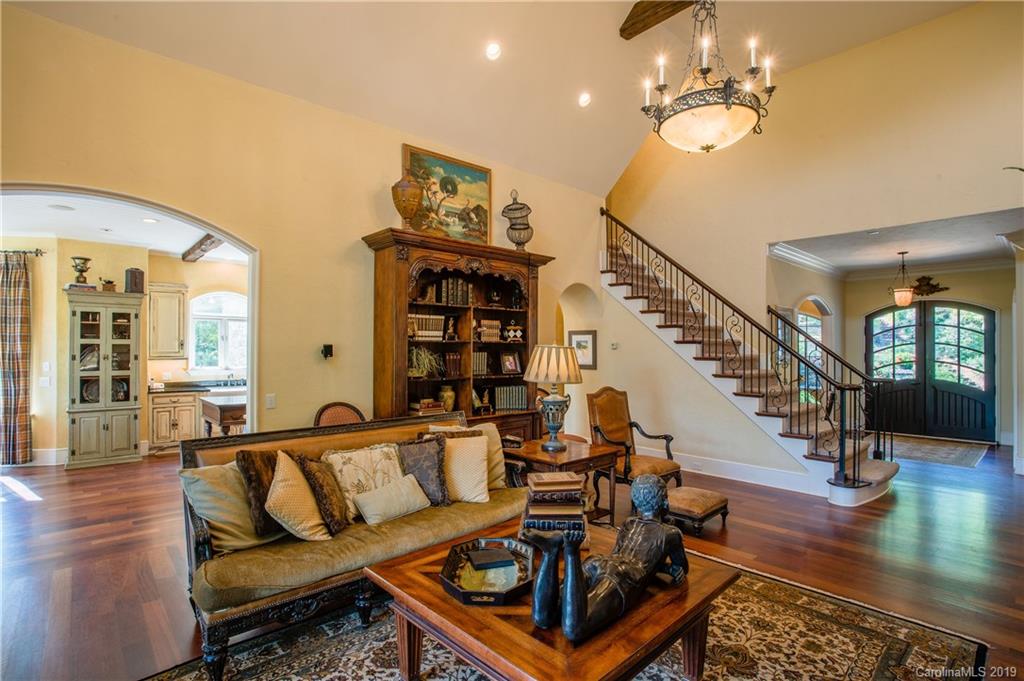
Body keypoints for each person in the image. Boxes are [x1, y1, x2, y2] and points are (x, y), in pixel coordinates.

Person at [522, 474, 688, 643]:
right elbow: (682, 566)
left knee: (544, 617)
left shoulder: (629, 523)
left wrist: (663, 567)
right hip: (623, 575)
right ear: (664, 501)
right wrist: (667, 567)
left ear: (636, 501)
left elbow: (618, 553)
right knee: (575, 628)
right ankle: (572, 553)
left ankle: (550, 552)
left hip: (598, 562)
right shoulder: (670, 533)